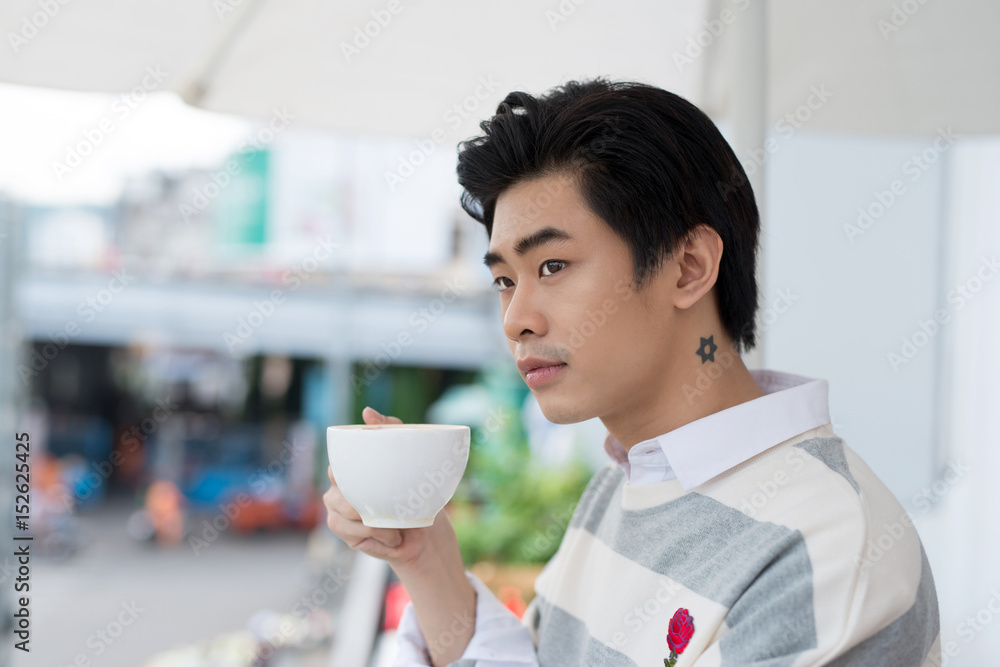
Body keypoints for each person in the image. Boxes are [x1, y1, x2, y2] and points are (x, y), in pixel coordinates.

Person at [323, 78, 941, 666]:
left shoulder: (826, 547)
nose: (516, 319)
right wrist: (426, 556)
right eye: (505, 280)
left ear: (689, 266)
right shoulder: (624, 483)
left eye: (554, 266)